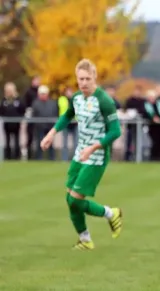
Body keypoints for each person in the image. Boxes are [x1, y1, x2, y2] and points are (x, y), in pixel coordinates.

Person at [40, 59, 123, 250]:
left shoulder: (104, 100)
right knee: (70, 200)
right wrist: (52, 133)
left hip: (97, 156)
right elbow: (68, 115)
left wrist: (93, 147)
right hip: (80, 153)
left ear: (94, 78)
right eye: (80, 79)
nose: (84, 83)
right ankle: (85, 239)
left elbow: (115, 131)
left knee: (76, 199)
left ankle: (111, 214)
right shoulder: (77, 98)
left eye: (87, 78)